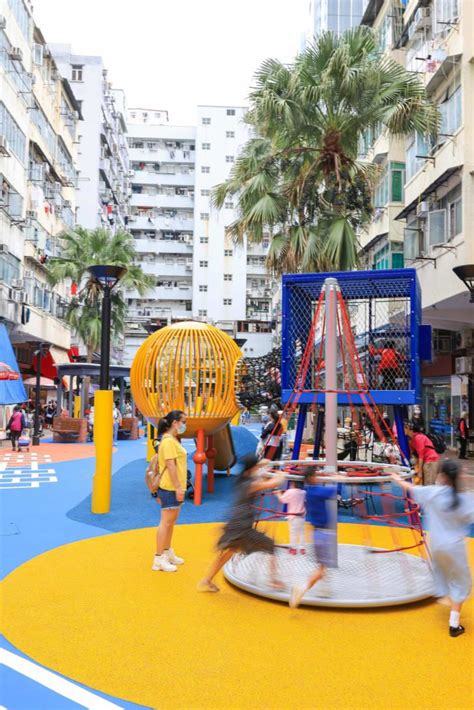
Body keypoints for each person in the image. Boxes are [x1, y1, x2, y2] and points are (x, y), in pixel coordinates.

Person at [392, 460, 474, 637]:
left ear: (442, 476)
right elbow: (469, 516)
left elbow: (410, 488)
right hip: (454, 546)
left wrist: (395, 478)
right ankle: (454, 623)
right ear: (457, 477)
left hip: (436, 545)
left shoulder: (432, 493)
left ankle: (444, 594)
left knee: (442, 571)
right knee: (461, 580)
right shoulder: (463, 499)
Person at [197, 454, 285, 592]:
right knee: (270, 545)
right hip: (242, 527)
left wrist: (262, 463)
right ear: (252, 468)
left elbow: (257, 469)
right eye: (257, 467)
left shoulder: (242, 479)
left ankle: (206, 580)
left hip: (235, 524)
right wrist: (281, 475)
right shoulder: (250, 484)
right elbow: (272, 484)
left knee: (228, 552)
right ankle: (274, 581)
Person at [289, 470, 337, 608]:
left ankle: (324, 589)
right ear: (311, 478)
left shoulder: (309, 492)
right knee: (321, 568)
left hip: (317, 532)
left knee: (323, 565)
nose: (318, 477)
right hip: (323, 533)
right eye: (316, 475)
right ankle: (302, 589)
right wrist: (336, 478)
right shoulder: (317, 492)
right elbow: (334, 490)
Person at [152, 410, 187, 572]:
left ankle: (167, 551)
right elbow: (171, 465)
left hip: (175, 486)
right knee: (166, 522)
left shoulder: (173, 440)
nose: (184, 425)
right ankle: (158, 558)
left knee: (171, 521)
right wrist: (178, 487)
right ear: (175, 423)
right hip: (169, 487)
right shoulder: (167, 442)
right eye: (183, 421)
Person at [276, 480, 306, 554]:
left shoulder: (290, 491)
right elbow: (295, 495)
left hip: (293, 516)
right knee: (301, 532)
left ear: (293, 483)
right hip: (301, 516)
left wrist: (278, 493)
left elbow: (282, 500)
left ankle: (293, 549)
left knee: (293, 533)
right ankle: (302, 548)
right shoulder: (303, 492)